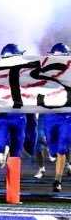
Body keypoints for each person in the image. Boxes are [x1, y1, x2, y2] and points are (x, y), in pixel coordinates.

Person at [0, 43, 27, 170]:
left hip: (19, 116)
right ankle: (3, 150)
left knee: (16, 151)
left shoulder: (26, 74)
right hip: (3, 115)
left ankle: (13, 184)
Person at [42, 43, 71, 192]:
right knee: (53, 150)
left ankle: (57, 181)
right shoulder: (45, 73)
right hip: (51, 115)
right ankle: (66, 160)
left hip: (67, 115)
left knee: (61, 149)